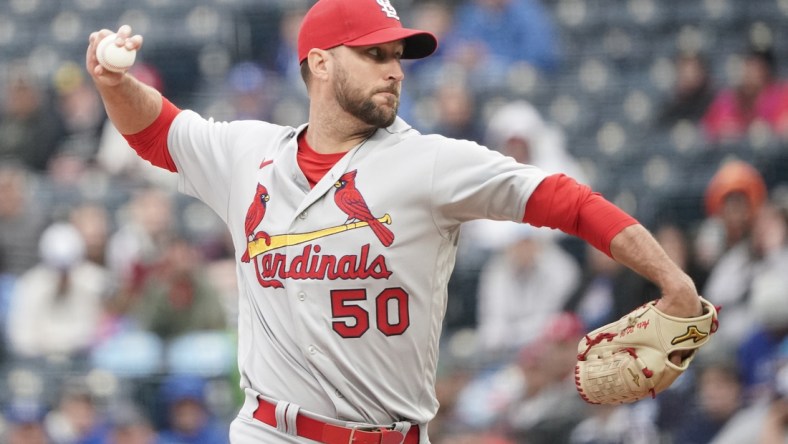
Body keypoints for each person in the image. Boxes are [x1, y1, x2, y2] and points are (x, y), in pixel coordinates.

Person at [85, 1, 704, 442]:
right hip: (269, 431)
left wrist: (673, 284)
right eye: (375, 53)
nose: (396, 69)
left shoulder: (431, 163)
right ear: (321, 63)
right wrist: (114, 80)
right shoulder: (249, 154)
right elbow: (157, 130)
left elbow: (565, 199)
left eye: (398, 55)